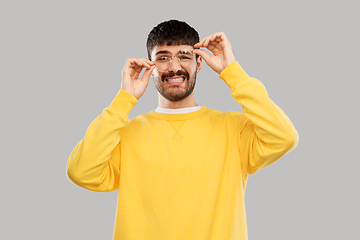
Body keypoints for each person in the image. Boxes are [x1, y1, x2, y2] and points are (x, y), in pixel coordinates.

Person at [67, 19, 298, 240]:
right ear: (150, 66)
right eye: (163, 57)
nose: (174, 67)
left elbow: (283, 137)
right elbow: (81, 171)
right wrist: (124, 99)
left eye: (184, 56)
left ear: (199, 63)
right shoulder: (125, 133)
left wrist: (232, 71)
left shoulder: (233, 129)